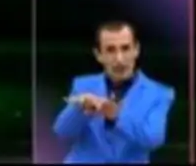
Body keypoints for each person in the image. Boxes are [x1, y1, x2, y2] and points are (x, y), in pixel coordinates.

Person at [52, 21, 175, 164]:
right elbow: (62, 132)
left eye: (125, 48)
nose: (119, 59)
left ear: (136, 50)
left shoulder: (160, 93)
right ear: (98, 55)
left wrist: (116, 116)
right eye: (110, 50)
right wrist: (79, 109)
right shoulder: (83, 85)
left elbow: (153, 139)